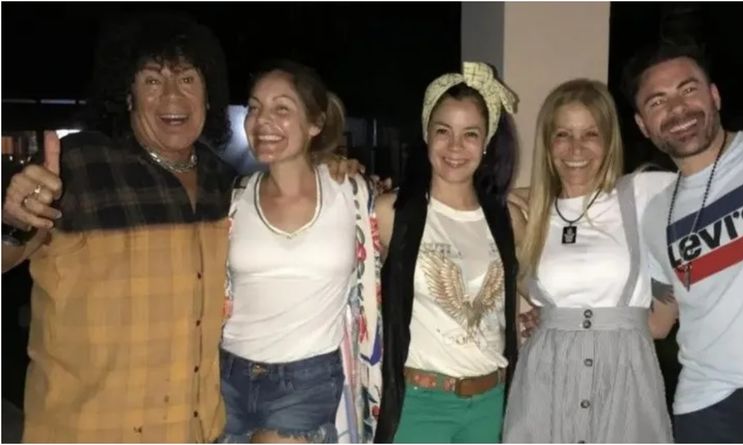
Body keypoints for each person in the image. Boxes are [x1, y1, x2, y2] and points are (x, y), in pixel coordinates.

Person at [1, 13, 236, 442]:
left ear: (208, 95)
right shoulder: (76, 166)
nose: (172, 95)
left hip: (198, 432)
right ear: (128, 94)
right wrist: (11, 221)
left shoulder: (225, 183)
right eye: (152, 80)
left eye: (187, 79)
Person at [218, 60, 381, 443]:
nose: (262, 120)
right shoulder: (233, 199)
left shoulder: (351, 193)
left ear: (315, 123)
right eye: (254, 107)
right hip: (227, 376)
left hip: (306, 380)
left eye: (282, 109)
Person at [502, 79, 674, 442]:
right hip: (546, 380)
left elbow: (712, 189)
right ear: (548, 143)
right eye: (562, 134)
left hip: (625, 379)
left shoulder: (644, 193)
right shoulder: (528, 214)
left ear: (609, 140)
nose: (575, 148)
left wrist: (669, 301)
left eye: (590, 134)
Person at [622, 42, 743, 443]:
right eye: (657, 101)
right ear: (643, 125)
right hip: (705, 407)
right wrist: (561, 316)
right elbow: (658, 322)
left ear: (714, 96)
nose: (678, 109)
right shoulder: (656, 214)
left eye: (688, 90)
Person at [373, 62, 522, 443]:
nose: (455, 147)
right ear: (426, 134)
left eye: (470, 134)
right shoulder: (391, 213)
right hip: (419, 404)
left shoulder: (509, 218)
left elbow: (530, 291)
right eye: (443, 131)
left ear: (487, 141)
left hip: (491, 403)